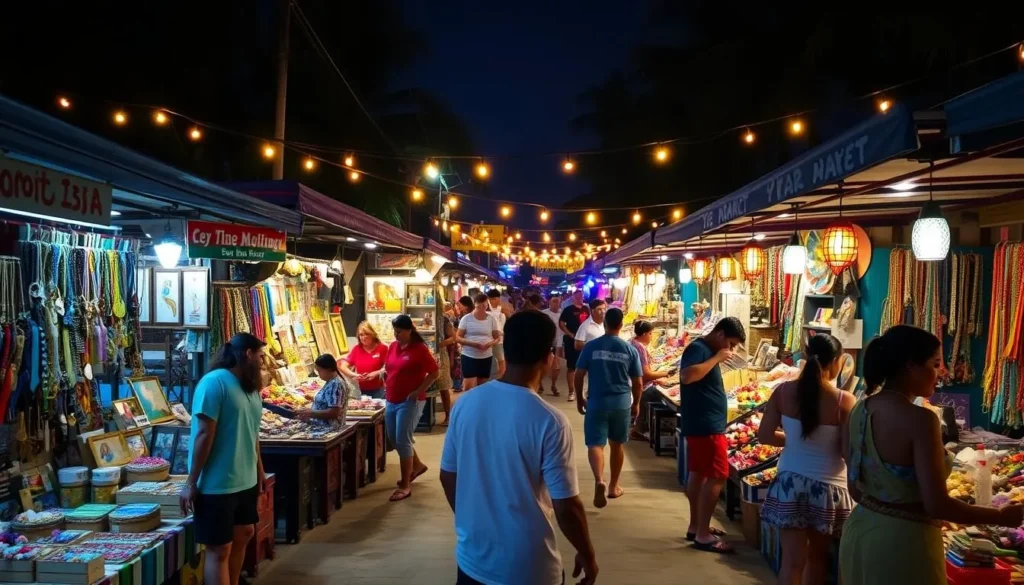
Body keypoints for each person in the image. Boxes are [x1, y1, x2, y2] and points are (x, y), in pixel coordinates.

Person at [839, 325, 1024, 584]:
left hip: (860, 532)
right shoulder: (921, 419)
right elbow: (937, 505)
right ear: (910, 365)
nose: (940, 373)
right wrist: (1001, 517)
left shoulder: (860, 409)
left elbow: (856, 489)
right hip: (903, 545)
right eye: (936, 364)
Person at [440, 311, 598, 585]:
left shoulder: (466, 403)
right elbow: (567, 506)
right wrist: (588, 554)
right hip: (528, 567)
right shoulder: (550, 421)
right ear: (549, 357)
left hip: (472, 560)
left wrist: (475, 523)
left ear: (506, 349)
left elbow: (448, 475)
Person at [757, 334, 856, 585]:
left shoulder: (782, 392)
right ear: (835, 362)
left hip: (790, 484)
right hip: (829, 488)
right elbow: (846, 452)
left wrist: (793, 439)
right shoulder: (844, 401)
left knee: (791, 562)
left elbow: (765, 436)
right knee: (818, 559)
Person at [181, 333, 267, 585]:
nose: (263, 360)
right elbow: (205, 434)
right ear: (247, 354)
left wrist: (259, 470)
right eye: (260, 355)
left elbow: (253, 435)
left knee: (244, 535)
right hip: (217, 483)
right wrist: (191, 482)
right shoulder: (214, 383)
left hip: (245, 480)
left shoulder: (250, 387)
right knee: (219, 549)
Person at [679, 316, 746, 554]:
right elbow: (687, 376)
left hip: (703, 423)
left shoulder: (705, 349)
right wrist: (717, 358)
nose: (731, 349)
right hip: (706, 425)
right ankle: (703, 534)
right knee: (718, 475)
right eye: (731, 343)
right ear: (719, 335)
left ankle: (696, 526)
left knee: (698, 473)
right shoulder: (700, 348)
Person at [573, 308, 642, 508]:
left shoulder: (591, 347)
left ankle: (599, 480)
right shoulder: (630, 349)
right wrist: (636, 403)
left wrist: (579, 398)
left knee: (595, 444)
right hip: (621, 403)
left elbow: (578, 374)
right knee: (617, 444)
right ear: (621, 325)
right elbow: (638, 382)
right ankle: (613, 486)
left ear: (604, 324)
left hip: (596, 402)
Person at [384, 315, 440, 502]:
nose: (396, 335)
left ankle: (406, 484)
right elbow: (389, 368)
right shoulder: (393, 346)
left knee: (402, 439)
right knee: (393, 438)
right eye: (395, 331)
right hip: (391, 398)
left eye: (399, 332)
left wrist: (418, 391)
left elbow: (434, 373)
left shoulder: (420, 349)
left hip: (409, 401)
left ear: (409, 330)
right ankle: (416, 465)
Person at [628, 320, 673, 441]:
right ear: (644, 334)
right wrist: (666, 374)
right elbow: (646, 375)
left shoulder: (632, 342)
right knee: (662, 396)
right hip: (641, 387)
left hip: (633, 384)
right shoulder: (640, 348)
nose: (652, 337)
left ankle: (640, 426)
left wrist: (657, 378)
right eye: (651, 333)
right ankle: (640, 429)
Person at [456, 294, 501, 391]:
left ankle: (480, 404)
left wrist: (490, 344)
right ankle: (468, 404)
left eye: (484, 306)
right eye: (478, 306)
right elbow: (458, 337)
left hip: (486, 356)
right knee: (468, 385)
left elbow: (497, 338)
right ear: (475, 305)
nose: (481, 309)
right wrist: (473, 344)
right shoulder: (466, 318)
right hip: (469, 355)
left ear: (486, 305)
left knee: (482, 385)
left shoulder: (491, 319)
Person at [296, 354, 349, 427]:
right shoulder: (331, 382)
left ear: (329, 369)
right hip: (324, 426)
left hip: (330, 427)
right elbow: (328, 400)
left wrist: (311, 413)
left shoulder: (335, 384)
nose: (318, 374)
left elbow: (333, 412)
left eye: (319, 371)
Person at [340, 321, 387, 400]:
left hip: (379, 390)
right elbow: (343, 366)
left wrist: (376, 373)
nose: (364, 337)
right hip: (360, 391)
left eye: (367, 334)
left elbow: (389, 367)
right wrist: (355, 375)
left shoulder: (383, 348)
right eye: (361, 334)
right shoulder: (356, 349)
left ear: (372, 335)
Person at [558, 290, 589, 402]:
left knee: (585, 367)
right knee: (571, 367)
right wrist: (570, 334)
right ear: (574, 297)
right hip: (571, 342)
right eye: (578, 295)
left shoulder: (587, 309)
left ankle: (583, 391)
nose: (581, 297)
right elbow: (561, 323)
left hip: (585, 341)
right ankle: (571, 392)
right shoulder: (568, 310)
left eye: (582, 295)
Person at [436, 302, 461, 424]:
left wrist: (441, 344)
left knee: (443, 386)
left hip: (441, 353)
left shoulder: (444, 318)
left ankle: (448, 416)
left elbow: (453, 337)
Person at [540, 293, 563, 396]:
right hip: (545, 342)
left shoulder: (562, 314)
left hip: (558, 343)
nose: (556, 304)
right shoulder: (543, 314)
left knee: (556, 366)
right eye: (554, 301)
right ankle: (539, 383)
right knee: (543, 364)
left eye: (558, 301)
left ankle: (554, 385)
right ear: (549, 302)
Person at [486, 289, 508, 378]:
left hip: (499, 340)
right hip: (488, 339)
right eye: (495, 299)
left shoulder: (503, 308)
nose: (498, 300)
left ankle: (501, 378)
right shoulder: (485, 309)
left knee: (501, 360)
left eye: (498, 299)